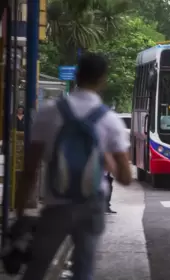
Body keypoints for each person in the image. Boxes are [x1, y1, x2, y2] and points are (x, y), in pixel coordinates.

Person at [15, 52, 132, 280]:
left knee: (37, 267)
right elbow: (126, 178)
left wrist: (20, 212)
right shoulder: (110, 120)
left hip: (57, 203)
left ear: (77, 75)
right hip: (92, 205)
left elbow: (29, 169)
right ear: (102, 80)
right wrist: (106, 158)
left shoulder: (48, 112)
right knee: (83, 269)